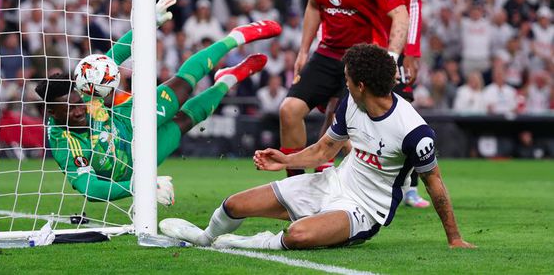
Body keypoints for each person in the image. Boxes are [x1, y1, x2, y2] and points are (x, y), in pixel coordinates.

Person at [161, 44, 475, 250]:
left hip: (363, 211)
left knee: (297, 235)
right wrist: (285, 159)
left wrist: (455, 238)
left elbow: (435, 184)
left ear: (361, 85)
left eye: (347, 79)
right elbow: (325, 150)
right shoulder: (351, 103)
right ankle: (205, 237)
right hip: (331, 183)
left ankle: (240, 243)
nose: (344, 83)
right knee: (234, 204)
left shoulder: (414, 131)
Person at [35, 0, 282, 203]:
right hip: (135, 164)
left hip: (128, 118)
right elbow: (90, 189)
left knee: (183, 87)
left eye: (78, 103)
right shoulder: (64, 142)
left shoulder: (85, 88)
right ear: (52, 112)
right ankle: (227, 79)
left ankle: (235, 37)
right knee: (185, 121)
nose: (79, 110)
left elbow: (111, 59)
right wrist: (140, 187)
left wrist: (149, 22)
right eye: (70, 109)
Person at [278, 0, 409, 176]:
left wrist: (392, 59)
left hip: (362, 59)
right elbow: (314, 6)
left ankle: (371, 189)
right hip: (327, 53)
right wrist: (303, 51)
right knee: (289, 111)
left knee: (347, 132)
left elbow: (400, 14)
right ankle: (295, 186)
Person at [351, 0, 429, 208]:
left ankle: (410, 186)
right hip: (359, 50)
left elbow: (413, 5)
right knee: (351, 114)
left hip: (392, 49)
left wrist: (412, 52)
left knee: (403, 111)